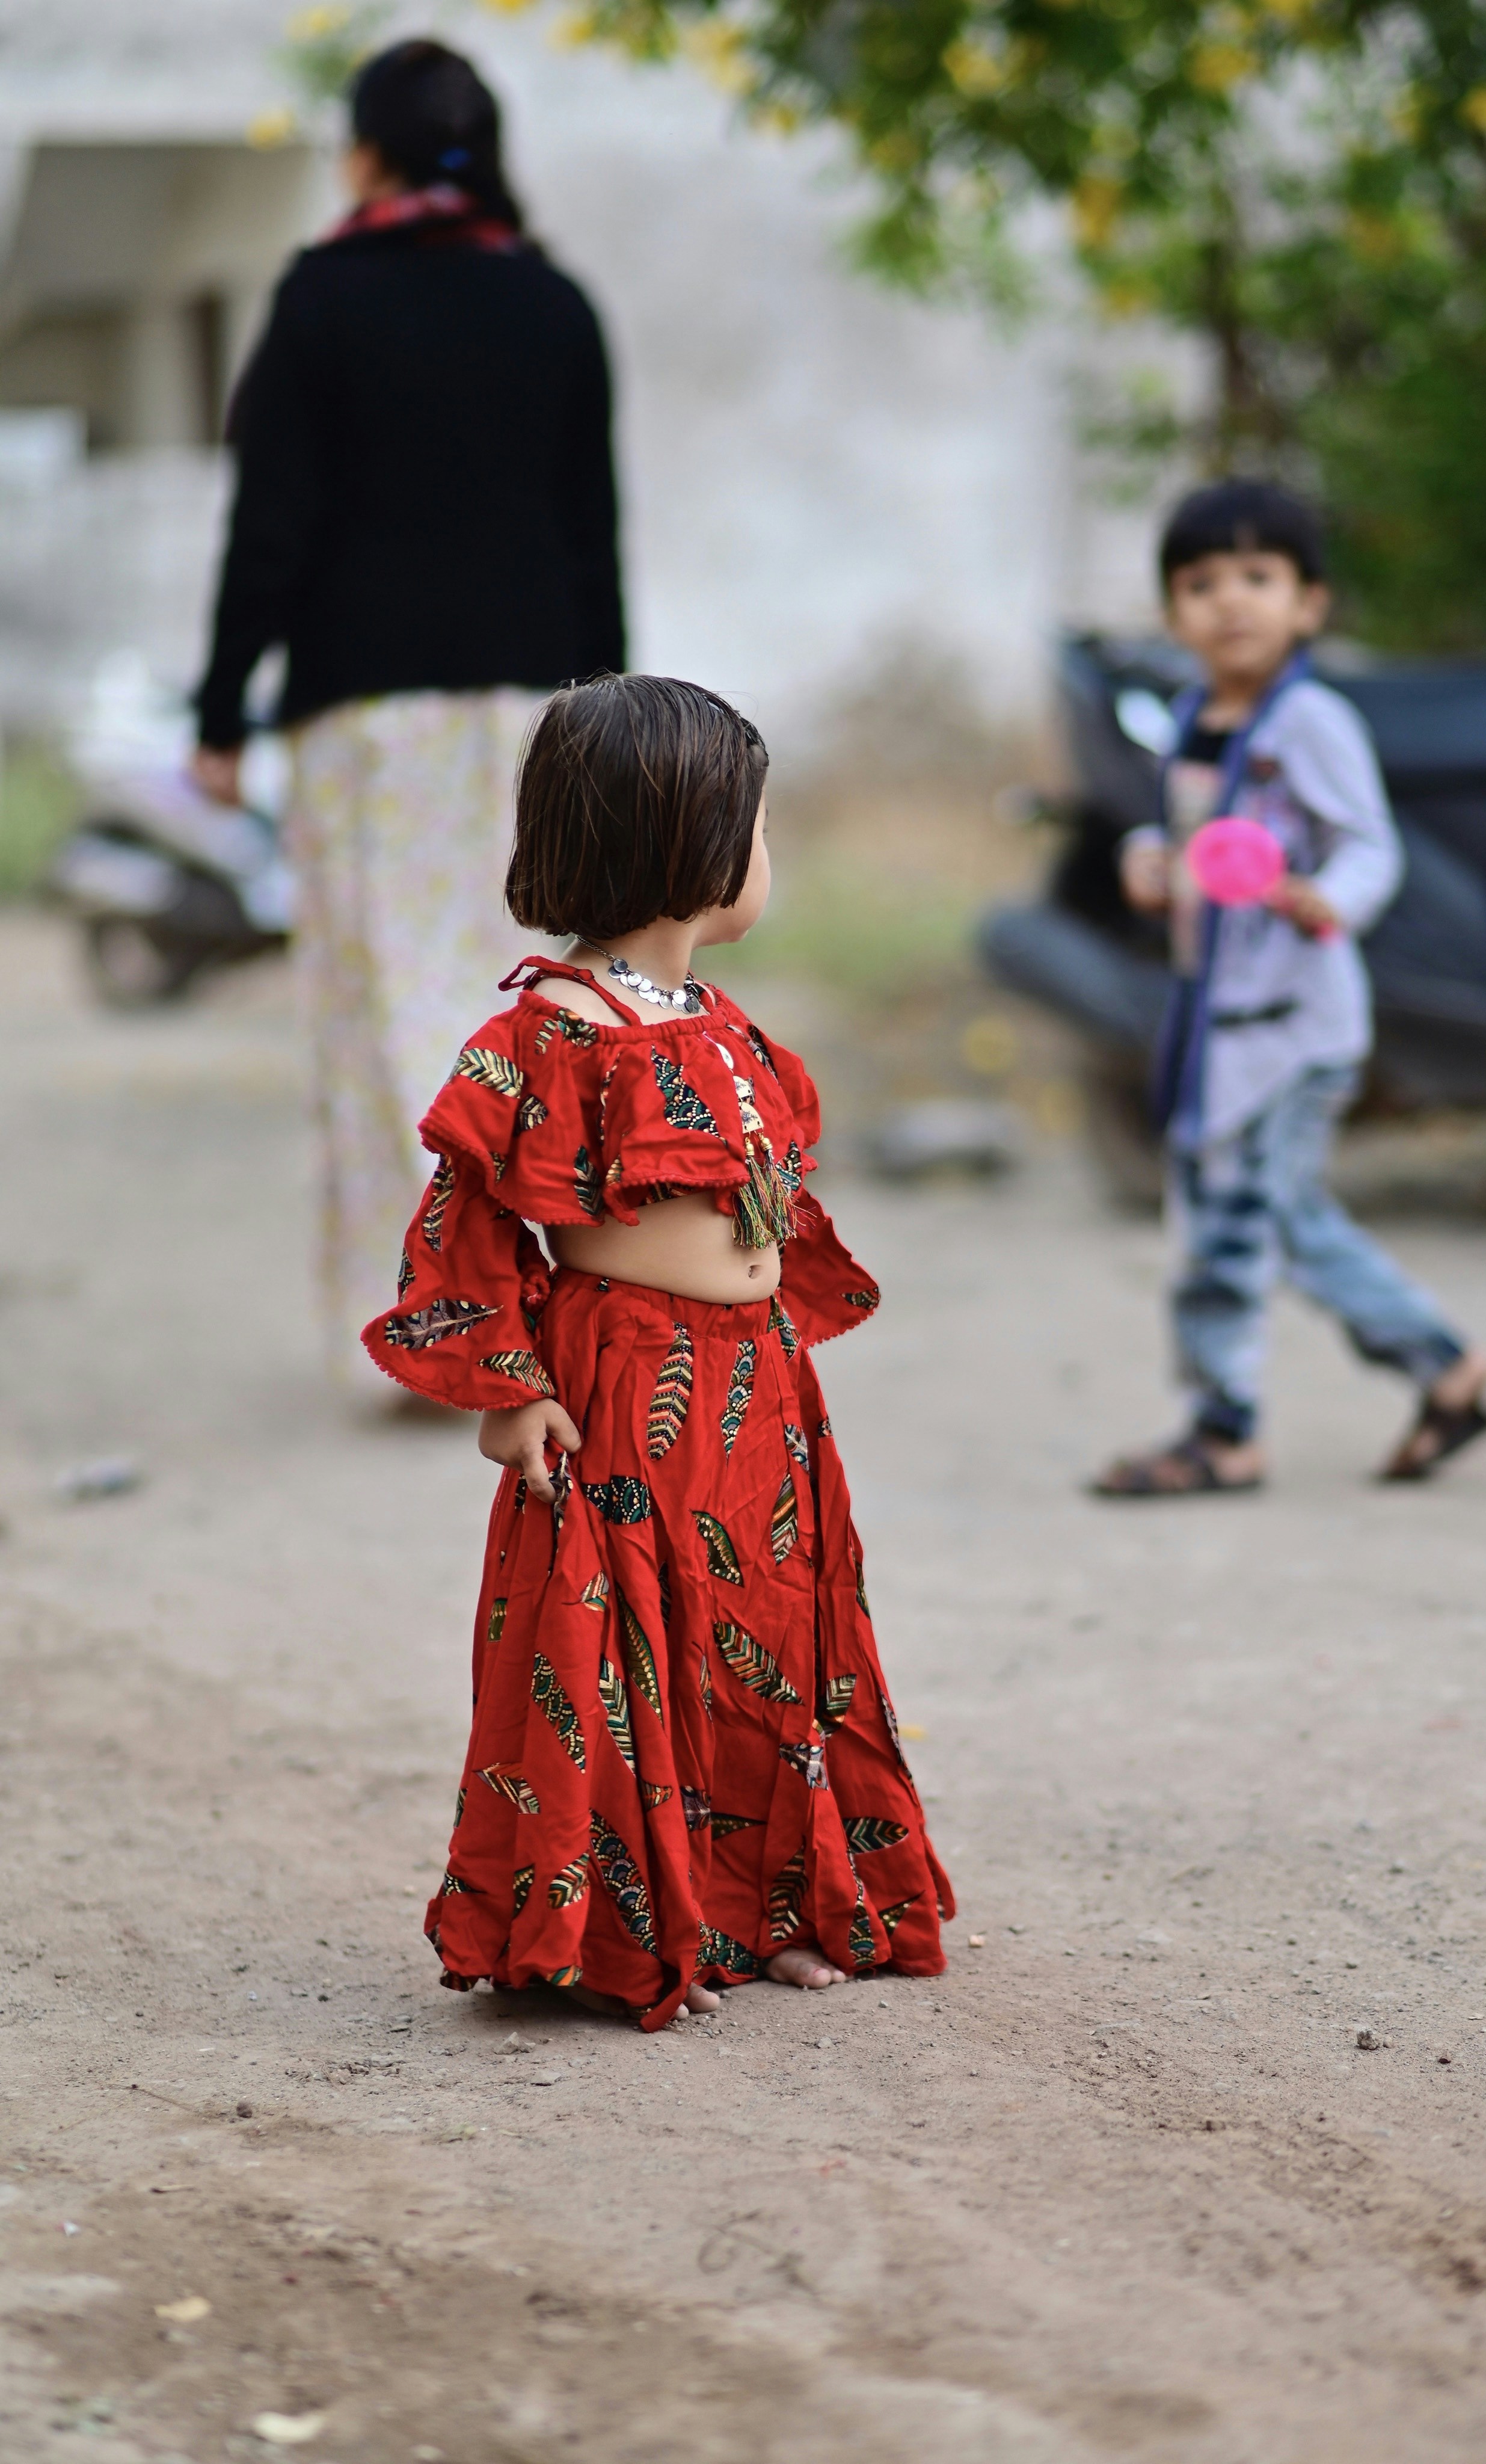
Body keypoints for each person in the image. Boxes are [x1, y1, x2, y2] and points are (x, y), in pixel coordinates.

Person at [360, 675, 953, 2027]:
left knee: (763, 1640)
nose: (765, 855)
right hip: (621, 1383)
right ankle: (637, 1925)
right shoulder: (547, 1036)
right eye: (757, 827)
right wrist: (506, 1392)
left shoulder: (726, 1029)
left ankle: (762, 1909)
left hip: (756, 1389)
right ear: (690, 846)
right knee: (633, 1646)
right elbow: (463, 1220)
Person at [191, 40, 624, 1396]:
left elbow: (269, 530)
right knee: (527, 1005)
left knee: (386, 1012)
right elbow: (593, 536)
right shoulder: (556, 306)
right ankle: (560, 1305)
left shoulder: (321, 303)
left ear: (364, 155)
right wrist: (613, 720)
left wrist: (220, 710)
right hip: (529, 717)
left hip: (364, 722)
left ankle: (437, 1329)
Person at [1095, 479, 1486, 1495]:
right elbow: (1199, 839)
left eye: (1259, 577)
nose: (1231, 601)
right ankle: (1445, 1367)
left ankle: (1224, 1428)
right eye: (1202, 583)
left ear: (1310, 605)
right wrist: (1149, 858)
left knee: (1237, 1233)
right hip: (1222, 1026)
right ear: (1172, 613)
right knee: (1270, 1222)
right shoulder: (1193, 717)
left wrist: (1329, 899)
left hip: (1292, 1029)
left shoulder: (1314, 723)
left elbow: (1370, 848)